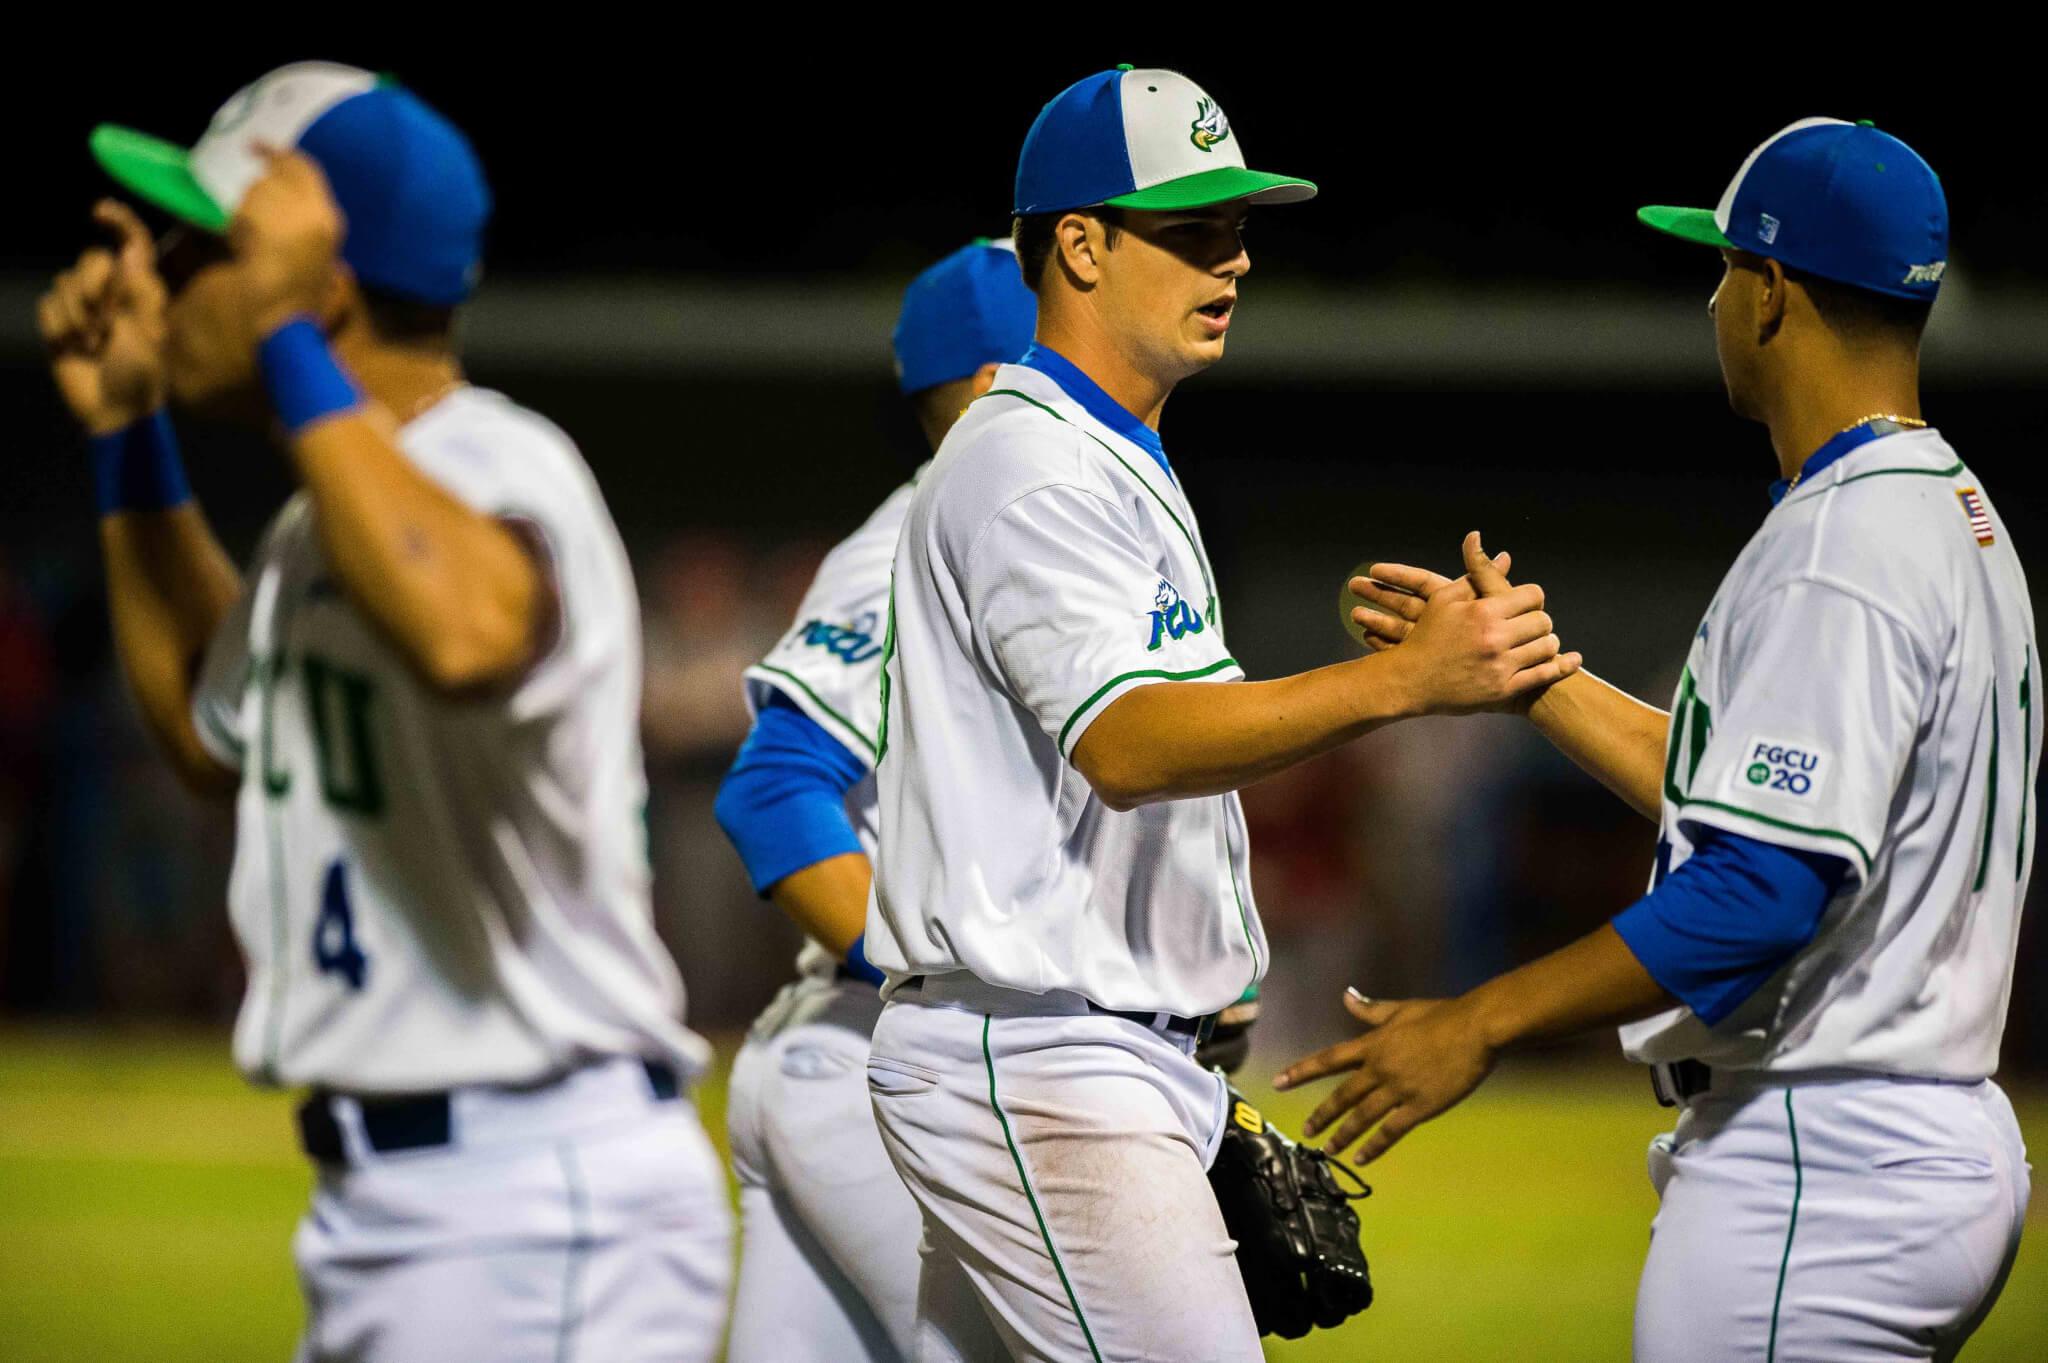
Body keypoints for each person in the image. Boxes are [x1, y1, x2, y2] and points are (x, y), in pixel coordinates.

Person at [1281, 117, 2035, 1361]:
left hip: (1821, 1158)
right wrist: (1532, 678)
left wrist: (1477, 1020)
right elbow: (1743, 809)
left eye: (1723, 268)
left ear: (1774, 294)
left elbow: (1762, 886)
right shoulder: (1947, 510)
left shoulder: (1840, 549)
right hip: (1913, 1135)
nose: (1711, 299)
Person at [863, 65, 1574, 1362]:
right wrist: (1406, 684)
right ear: (1077, 242)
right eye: (1193, 232)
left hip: (1087, 1046)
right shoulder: (1030, 462)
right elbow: (1128, 743)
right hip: (1042, 1058)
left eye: (1239, 229)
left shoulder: (1112, 452)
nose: (1234, 259)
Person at [37, 61, 731, 1361]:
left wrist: (285, 332)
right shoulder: (331, 515)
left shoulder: (495, 460)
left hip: (536, 1190)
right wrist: (132, 434)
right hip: (418, 1202)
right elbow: (206, 726)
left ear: (317, 277)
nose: (161, 280)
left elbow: (464, 628)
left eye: (203, 247)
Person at [715, 238, 1038, 1362]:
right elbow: (772, 788)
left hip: (831, 1064)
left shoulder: (1000, 527)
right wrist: (930, 983)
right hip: (879, 1070)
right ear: (1002, 380)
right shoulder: (919, 537)